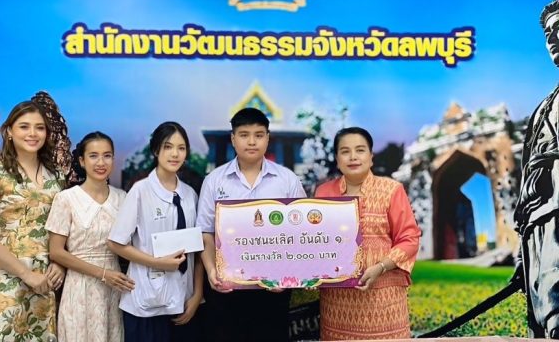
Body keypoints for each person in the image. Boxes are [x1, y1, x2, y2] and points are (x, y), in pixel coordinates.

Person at [197, 107, 307, 342]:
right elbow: (205, 232)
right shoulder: (214, 181)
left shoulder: (287, 180)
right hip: (226, 288)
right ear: (233, 139)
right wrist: (211, 270)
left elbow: (301, 233)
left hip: (273, 289)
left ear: (268, 138)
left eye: (258, 135)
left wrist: (288, 275)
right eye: (244, 135)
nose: (251, 141)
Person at [0, 101, 66, 341]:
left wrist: (60, 263)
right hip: (5, 279)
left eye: (39, 127)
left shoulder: (57, 177)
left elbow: (63, 229)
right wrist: (26, 274)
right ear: (9, 132)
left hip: (46, 281)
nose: (33, 133)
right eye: (24, 126)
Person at [315, 127, 420, 340]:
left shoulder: (391, 189)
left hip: (384, 300)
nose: (353, 157)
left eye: (360, 150)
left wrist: (380, 267)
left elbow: (409, 239)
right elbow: (315, 241)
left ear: (371, 157)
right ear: (337, 159)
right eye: (345, 151)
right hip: (337, 305)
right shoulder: (324, 192)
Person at [108, 122, 204, 342]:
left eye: (181, 148)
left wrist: (197, 293)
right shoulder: (140, 191)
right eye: (168, 147)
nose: (175, 154)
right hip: (147, 300)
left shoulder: (190, 194)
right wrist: (158, 262)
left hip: (184, 301)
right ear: (155, 150)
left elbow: (197, 249)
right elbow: (116, 243)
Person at [46, 132, 134, 342]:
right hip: (79, 287)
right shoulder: (66, 199)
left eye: (107, 155)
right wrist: (103, 274)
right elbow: (56, 252)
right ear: (82, 161)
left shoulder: (123, 198)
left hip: (114, 288)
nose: (101, 162)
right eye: (93, 156)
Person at [514, 0, 559, 338]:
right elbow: (526, 172)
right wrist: (519, 254)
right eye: (548, 33)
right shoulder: (542, 109)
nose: (553, 38)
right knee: (543, 317)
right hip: (537, 220)